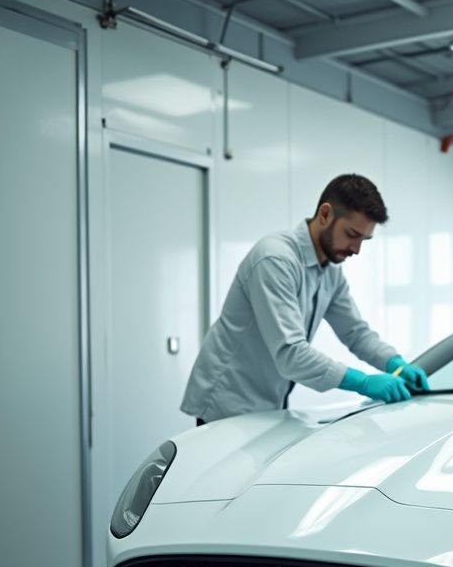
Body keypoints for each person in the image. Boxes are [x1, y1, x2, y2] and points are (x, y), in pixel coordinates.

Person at [181, 173, 429, 425]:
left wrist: (395, 364)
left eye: (364, 240)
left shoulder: (330, 271)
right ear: (325, 214)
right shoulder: (275, 259)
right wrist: (362, 382)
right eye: (352, 234)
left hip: (270, 402)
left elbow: (355, 332)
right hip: (227, 403)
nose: (356, 249)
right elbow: (291, 353)